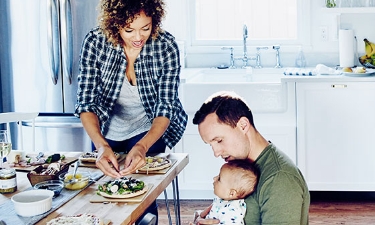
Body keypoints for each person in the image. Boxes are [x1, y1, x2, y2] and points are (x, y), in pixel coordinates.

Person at [74, 0, 187, 223]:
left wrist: (142, 147)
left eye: (145, 28)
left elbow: (165, 107)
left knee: (142, 195)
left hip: (148, 129)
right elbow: (86, 103)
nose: (138, 37)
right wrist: (102, 146)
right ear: (115, 24)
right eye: (129, 30)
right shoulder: (95, 42)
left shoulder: (166, 46)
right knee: (105, 195)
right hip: (106, 129)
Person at [192, 91, 310, 225]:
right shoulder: (240, 168)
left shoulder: (279, 179)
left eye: (219, 140)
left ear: (243, 125)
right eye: (210, 145)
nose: (216, 153)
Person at [194, 160, 259, 225]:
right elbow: (211, 210)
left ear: (231, 193)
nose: (214, 178)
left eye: (219, 179)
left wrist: (205, 222)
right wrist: (201, 215)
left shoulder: (232, 211)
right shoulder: (222, 199)